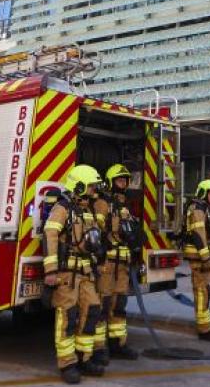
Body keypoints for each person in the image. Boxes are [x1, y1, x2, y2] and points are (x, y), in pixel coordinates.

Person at [44, 165, 108, 384]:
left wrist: (99, 262)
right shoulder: (62, 208)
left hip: (87, 272)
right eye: (90, 186)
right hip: (67, 275)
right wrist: (50, 270)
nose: (93, 190)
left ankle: (84, 358)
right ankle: (67, 364)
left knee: (92, 312)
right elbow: (50, 235)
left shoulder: (87, 210)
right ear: (79, 185)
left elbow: (94, 241)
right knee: (67, 318)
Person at [92, 163, 141, 361]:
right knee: (102, 306)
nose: (122, 183)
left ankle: (118, 344)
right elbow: (96, 232)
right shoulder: (103, 203)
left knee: (119, 305)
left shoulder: (125, 206)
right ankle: (98, 348)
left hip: (123, 265)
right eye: (119, 180)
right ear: (110, 182)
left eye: (125, 180)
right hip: (107, 264)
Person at [184, 179, 210, 341]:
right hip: (199, 255)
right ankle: (204, 329)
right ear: (203, 193)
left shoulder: (205, 208)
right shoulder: (198, 209)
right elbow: (198, 234)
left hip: (206, 253)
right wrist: (205, 256)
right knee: (202, 290)